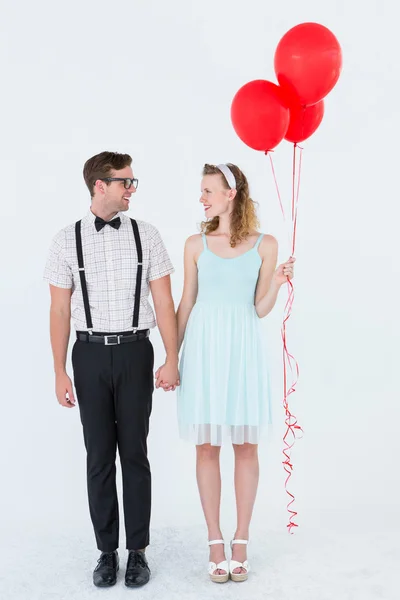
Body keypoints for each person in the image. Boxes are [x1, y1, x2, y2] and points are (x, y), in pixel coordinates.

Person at [44, 151, 179, 588]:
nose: (131, 189)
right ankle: (106, 552)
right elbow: (60, 309)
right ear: (99, 185)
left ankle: (137, 550)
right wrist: (59, 370)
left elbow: (162, 302)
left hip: (136, 350)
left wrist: (171, 357)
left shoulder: (147, 235)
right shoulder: (67, 240)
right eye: (126, 182)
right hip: (88, 355)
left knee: (135, 455)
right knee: (99, 456)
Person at [176, 163, 295, 583]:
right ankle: (214, 537)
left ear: (232, 193)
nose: (203, 197)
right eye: (202, 190)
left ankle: (241, 538)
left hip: (242, 351)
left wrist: (277, 282)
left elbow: (257, 309)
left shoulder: (266, 245)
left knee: (246, 446)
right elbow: (187, 302)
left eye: (209, 189)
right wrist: (172, 357)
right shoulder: (195, 244)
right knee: (206, 446)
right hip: (205, 351)